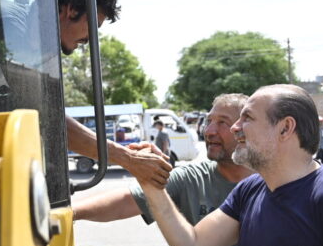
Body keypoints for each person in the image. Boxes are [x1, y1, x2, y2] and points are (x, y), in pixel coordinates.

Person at [0, 0, 172, 187]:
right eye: (93, 26)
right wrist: (127, 158)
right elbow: (51, 121)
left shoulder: (39, 49)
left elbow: (53, 116)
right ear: (70, 10)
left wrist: (125, 154)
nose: (90, 40)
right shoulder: (6, 27)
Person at [134, 84, 323, 246]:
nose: (235, 128)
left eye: (247, 118)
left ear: (285, 128)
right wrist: (151, 184)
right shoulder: (249, 190)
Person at [73, 94, 252, 225]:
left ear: (244, 130)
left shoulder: (270, 181)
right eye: (209, 121)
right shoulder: (190, 178)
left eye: (223, 123)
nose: (209, 131)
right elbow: (125, 202)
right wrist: (69, 213)